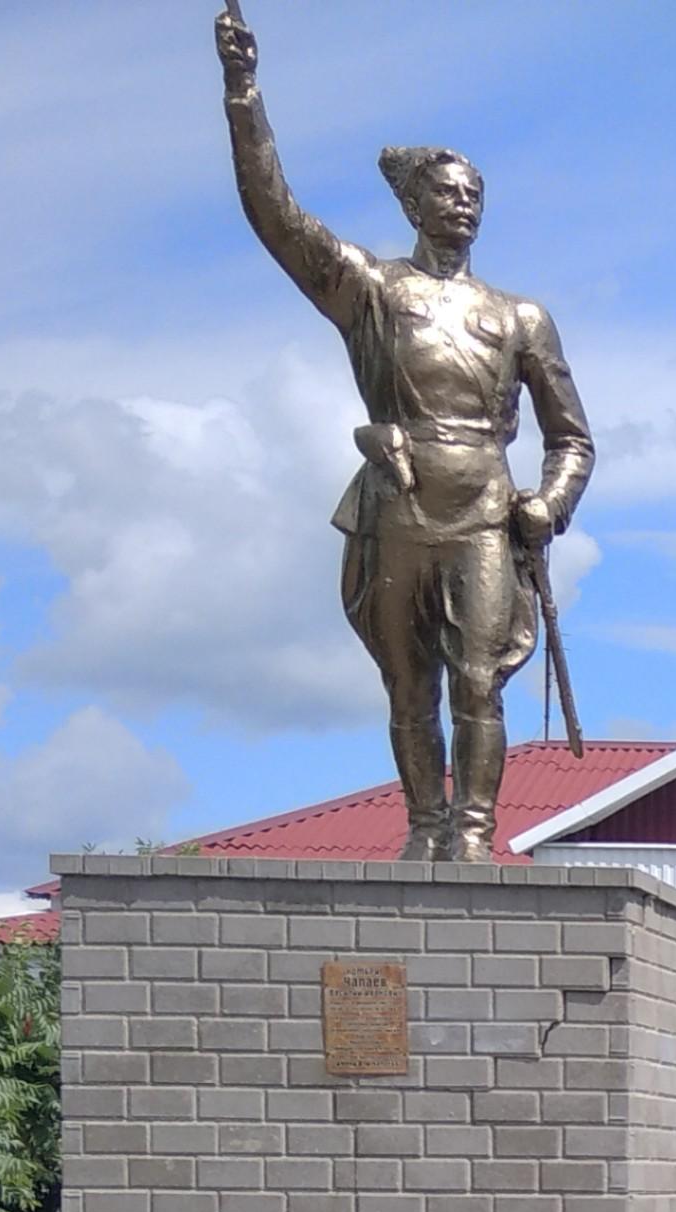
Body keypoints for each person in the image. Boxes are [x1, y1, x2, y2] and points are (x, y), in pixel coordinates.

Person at [215, 6, 593, 862]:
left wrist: (550, 504)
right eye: (447, 193)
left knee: (477, 685)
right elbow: (275, 214)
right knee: (407, 686)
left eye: (475, 197)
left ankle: (471, 834)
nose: (462, 207)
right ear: (413, 202)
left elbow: (572, 437)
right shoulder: (372, 291)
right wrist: (245, 96)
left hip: (483, 511)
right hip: (398, 502)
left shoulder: (519, 315)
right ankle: (423, 824)